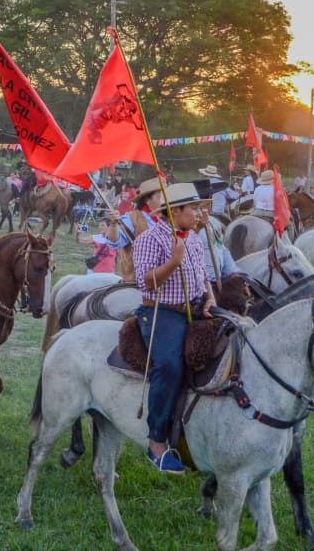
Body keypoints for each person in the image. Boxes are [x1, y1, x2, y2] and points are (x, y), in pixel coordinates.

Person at [132, 182, 216, 474]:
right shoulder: (149, 239)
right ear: (176, 211)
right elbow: (146, 282)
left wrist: (210, 297)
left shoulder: (192, 238)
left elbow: (202, 274)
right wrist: (173, 262)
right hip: (162, 312)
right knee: (169, 366)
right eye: (193, 208)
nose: (199, 213)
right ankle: (156, 442)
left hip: (197, 306)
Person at [107, 176, 164, 284]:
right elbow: (115, 242)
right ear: (147, 200)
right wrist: (113, 224)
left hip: (165, 282)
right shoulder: (132, 218)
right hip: (137, 282)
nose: (165, 200)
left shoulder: (169, 220)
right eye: (161, 196)